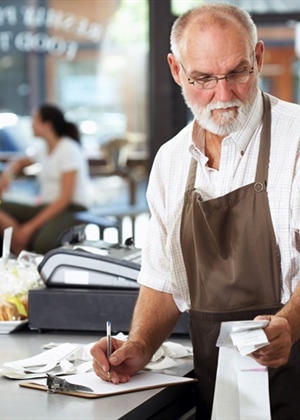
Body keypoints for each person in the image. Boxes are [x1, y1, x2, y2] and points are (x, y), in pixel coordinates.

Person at [90, 3, 300, 419]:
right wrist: (138, 346)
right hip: (217, 389)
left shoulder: (296, 141)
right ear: (176, 70)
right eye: (203, 78)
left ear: (257, 58)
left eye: (237, 73)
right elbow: (164, 281)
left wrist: (289, 324)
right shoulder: (170, 161)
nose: (223, 95)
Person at [0, 104, 90, 256]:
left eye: (35, 120)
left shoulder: (68, 149)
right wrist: (7, 175)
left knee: (42, 243)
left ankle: (25, 254)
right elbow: (20, 161)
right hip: (45, 206)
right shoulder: (43, 149)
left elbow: (65, 199)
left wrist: (30, 227)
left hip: (71, 209)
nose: (31, 125)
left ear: (47, 125)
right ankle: (18, 240)